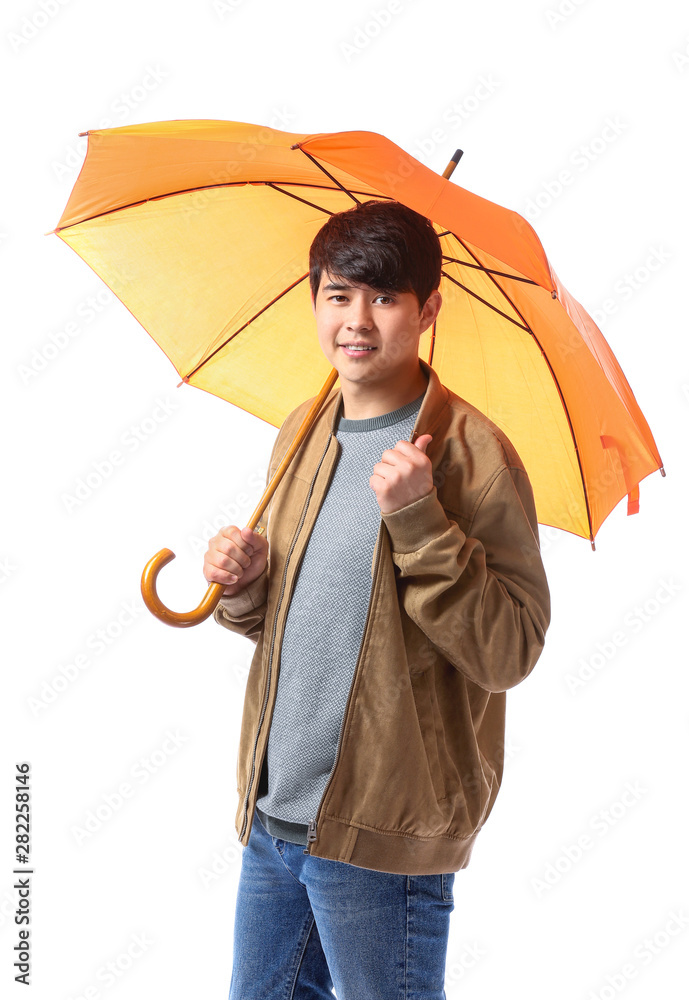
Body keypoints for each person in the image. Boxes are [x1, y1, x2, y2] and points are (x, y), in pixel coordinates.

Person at [203, 199, 551, 999]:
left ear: (427, 309)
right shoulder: (303, 430)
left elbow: (509, 650)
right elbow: (310, 624)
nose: (357, 320)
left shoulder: (473, 455)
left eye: (385, 297)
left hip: (383, 837)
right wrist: (247, 586)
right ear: (314, 296)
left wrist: (420, 517)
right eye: (339, 293)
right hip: (274, 817)